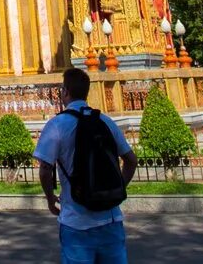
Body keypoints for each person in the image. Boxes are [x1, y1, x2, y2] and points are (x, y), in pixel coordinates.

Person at [34, 67, 138, 264]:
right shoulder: (105, 121)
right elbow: (131, 160)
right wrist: (118, 187)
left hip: (76, 222)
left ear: (65, 92)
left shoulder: (57, 125)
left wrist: (49, 197)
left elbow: (45, 169)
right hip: (111, 219)